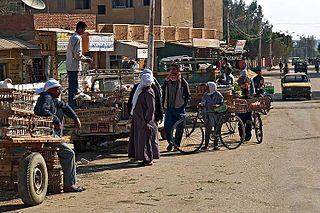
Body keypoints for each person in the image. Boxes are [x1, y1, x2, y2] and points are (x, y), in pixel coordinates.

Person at [34, 79, 85, 192]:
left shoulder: (52, 98)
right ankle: (69, 184)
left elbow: (65, 107)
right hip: (47, 133)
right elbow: (43, 110)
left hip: (49, 133)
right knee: (69, 154)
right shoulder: (46, 97)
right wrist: (56, 120)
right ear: (50, 90)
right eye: (57, 89)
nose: (59, 91)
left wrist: (75, 117)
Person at [128, 71, 160, 166]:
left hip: (145, 121)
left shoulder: (149, 92)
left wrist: (147, 120)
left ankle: (148, 159)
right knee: (142, 140)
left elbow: (151, 108)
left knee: (147, 140)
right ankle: (144, 158)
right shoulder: (143, 91)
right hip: (140, 119)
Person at [162, 64, 190, 151]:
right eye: (170, 69)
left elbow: (187, 95)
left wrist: (183, 105)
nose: (172, 71)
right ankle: (171, 142)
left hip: (179, 108)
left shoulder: (182, 82)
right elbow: (163, 94)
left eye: (173, 69)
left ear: (178, 70)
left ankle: (176, 144)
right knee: (167, 127)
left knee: (179, 128)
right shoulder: (166, 81)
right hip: (169, 108)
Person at [66, 21, 92, 109]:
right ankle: (72, 105)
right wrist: (86, 59)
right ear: (80, 28)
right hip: (74, 66)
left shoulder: (73, 37)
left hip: (70, 66)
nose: (84, 32)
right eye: (84, 29)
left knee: (72, 86)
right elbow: (77, 54)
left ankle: (71, 104)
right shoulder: (77, 38)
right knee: (74, 87)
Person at [200, 82, 224, 151]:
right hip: (208, 114)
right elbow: (203, 102)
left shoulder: (218, 95)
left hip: (216, 114)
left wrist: (217, 106)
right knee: (207, 130)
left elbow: (222, 104)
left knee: (217, 130)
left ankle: (215, 145)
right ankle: (206, 145)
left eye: (208, 88)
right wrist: (201, 104)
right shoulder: (205, 95)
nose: (206, 89)